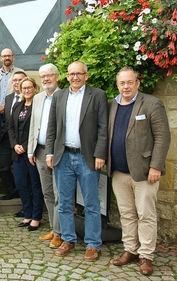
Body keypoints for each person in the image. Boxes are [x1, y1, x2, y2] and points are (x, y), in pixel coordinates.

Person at [108, 67, 170, 276]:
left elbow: (162, 137)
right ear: (118, 85)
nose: (125, 86)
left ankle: (146, 255)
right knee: (127, 214)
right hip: (119, 172)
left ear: (137, 83)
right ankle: (130, 249)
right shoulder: (112, 106)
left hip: (144, 172)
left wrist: (156, 166)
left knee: (146, 215)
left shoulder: (152, 104)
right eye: (122, 83)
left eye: (129, 82)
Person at [46, 60, 108, 262]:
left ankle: (92, 244)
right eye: (71, 74)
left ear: (86, 75)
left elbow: (103, 128)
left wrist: (100, 154)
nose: (75, 77)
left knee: (91, 203)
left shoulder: (97, 95)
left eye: (79, 74)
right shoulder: (60, 96)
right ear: (67, 76)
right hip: (63, 157)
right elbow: (52, 128)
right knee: (63, 202)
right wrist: (49, 153)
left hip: (87, 157)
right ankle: (68, 239)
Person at [27, 64, 62, 247]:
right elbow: (34, 124)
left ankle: (60, 232)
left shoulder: (64, 96)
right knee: (47, 192)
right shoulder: (38, 97)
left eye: (49, 76)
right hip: (40, 150)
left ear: (57, 77)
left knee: (59, 194)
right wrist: (31, 150)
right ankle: (54, 228)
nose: (46, 79)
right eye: (43, 76)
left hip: (57, 152)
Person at [9, 77, 43, 231]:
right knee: (20, 183)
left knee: (35, 184)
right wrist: (15, 144)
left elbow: (38, 129)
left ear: (35, 88)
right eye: (24, 88)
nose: (27, 90)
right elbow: (10, 127)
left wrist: (25, 146)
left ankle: (36, 217)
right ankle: (27, 214)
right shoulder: (17, 106)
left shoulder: (39, 106)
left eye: (30, 87)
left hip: (32, 151)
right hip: (18, 152)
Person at [0, 70, 26, 201]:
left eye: (20, 80)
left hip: (24, 142)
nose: (17, 82)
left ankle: (26, 198)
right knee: (1, 166)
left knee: (25, 174)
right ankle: (13, 190)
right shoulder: (8, 98)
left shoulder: (31, 98)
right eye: (15, 80)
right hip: (8, 140)